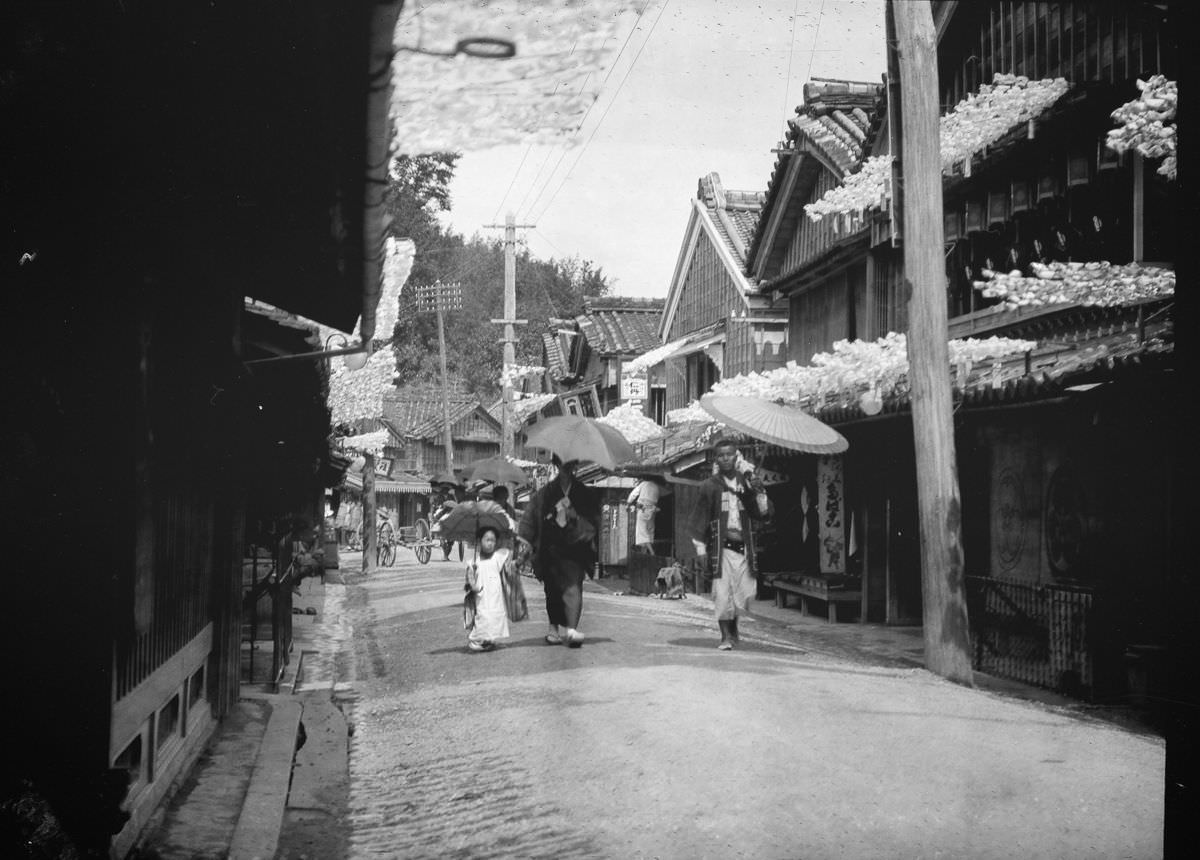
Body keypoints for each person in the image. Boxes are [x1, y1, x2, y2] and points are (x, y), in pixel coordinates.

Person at [683, 437, 773, 650]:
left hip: (744, 548)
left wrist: (759, 492)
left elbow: (762, 514)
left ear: (736, 456)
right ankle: (725, 637)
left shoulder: (747, 482)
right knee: (723, 594)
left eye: (729, 454)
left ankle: (733, 629)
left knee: (744, 593)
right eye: (721, 455)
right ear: (716, 459)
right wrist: (701, 548)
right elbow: (700, 518)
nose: (725, 458)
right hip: (721, 548)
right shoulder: (709, 486)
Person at [516, 456, 600, 648]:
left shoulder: (583, 493)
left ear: (574, 467)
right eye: (563, 465)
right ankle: (553, 628)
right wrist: (525, 545)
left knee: (573, 587)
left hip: (575, 547)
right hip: (550, 547)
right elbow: (530, 518)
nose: (566, 470)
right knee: (552, 589)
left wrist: (575, 516)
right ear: (557, 466)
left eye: (569, 466)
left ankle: (571, 629)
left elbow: (592, 520)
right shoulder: (545, 494)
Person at [463, 526, 512, 652]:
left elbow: (508, 552)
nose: (490, 543)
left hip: (495, 593)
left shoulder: (497, 557)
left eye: (493, 540)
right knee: (483, 616)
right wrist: (473, 583)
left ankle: (489, 640)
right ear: (479, 541)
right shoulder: (474, 561)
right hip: (482, 593)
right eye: (487, 540)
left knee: (496, 615)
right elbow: (469, 578)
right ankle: (476, 640)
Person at [626, 476, 665, 553]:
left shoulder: (643, 484)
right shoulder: (657, 487)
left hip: (643, 509)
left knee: (642, 533)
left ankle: (651, 552)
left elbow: (633, 494)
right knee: (650, 531)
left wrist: (628, 503)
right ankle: (646, 551)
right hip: (652, 510)